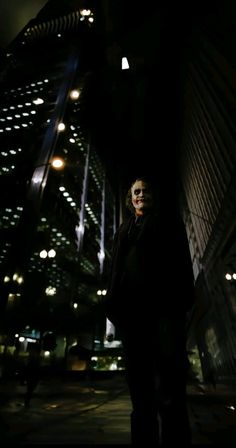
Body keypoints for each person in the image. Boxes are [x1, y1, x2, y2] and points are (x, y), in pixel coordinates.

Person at [104, 176, 195, 445]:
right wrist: (111, 304)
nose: (141, 195)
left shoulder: (168, 222)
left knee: (170, 389)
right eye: (136, 191)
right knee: (140, 391)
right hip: (133, 319)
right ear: (130, 198)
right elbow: (115, 271)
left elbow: (183, 265)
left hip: (164, 315)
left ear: (153, 196)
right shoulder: (124, 230)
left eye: (145, 190)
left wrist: (180, 303)